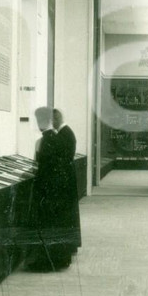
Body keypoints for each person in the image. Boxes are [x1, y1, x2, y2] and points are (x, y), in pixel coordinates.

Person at [27, 106, 74, 271]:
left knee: (48, 224)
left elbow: (44, 168)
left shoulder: (46, 140)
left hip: (48, 191)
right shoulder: (56, 138)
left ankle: (48, 262)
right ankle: (60, 259)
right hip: (58, 190)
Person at [52, 108, 82, 259]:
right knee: (69, 214)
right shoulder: (67, 133)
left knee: (66, 214)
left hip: (64, 179)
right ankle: (71, 244)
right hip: (67, 177)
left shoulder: (64, 134)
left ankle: (69, 245)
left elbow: (60, 158)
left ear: (55, 120)